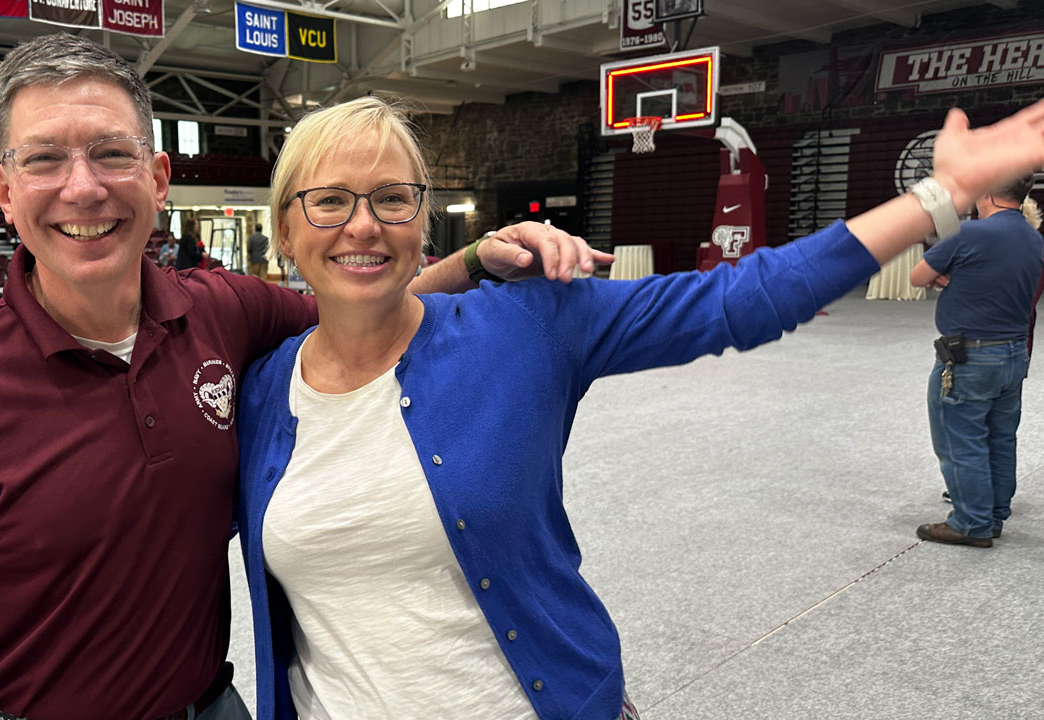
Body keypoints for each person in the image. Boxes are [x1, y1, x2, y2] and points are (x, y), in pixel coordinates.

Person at [0, 33, 604, 720]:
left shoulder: (224, 312)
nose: (83, 187)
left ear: (158, 178)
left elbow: (354, 303)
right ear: (5, 190)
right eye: (46, 159)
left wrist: (473, 258)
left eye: (112, 153)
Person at [236, 96, 1044, 719]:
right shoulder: (262, 387)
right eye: (330, 201)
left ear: (423, 222)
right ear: (283, 228)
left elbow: (747, 297)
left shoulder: (528, 326)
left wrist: (943, 196)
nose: (363, 225)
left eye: (392, 199)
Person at [909, 174, 1043, 547]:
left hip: (970, 355)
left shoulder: (969, 235)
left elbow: (918, 276)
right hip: (1015, 352)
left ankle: (971, 522)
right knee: (1001, 438)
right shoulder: (1034, 240)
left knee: (961, 437)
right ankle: (995, 513)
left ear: (985, 193)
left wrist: (947, 278)